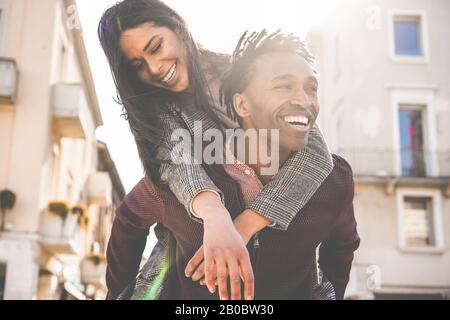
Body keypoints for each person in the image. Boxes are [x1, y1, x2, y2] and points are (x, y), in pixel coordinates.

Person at [98, 0, 333, 300]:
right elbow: (178, 166)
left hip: (282, 259)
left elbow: (315, 155)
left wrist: (241, 228)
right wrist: (214, 216)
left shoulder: (248, 71)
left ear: (177, 28)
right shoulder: (161, 111)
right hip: (189, 266)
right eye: (138, 65)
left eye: (155, 47)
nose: (155, 68)